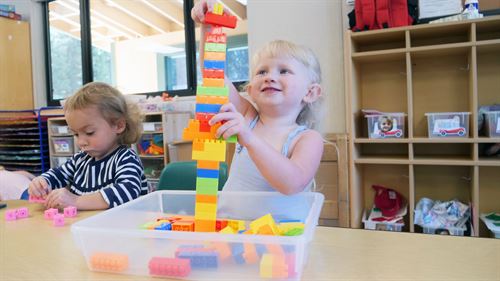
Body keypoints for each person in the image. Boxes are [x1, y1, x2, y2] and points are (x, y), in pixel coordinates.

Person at [192, 1, 324, 195]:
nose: (270, 77)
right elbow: (213, 74)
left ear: (310, 92)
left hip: (281, 226)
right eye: (262, 72)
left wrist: (249, 139)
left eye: (284, 71)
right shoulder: (248, 117)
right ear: (251, 90)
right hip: (234, 225)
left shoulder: (308, 139)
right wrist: (209, 25)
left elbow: (293, 184)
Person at [28, 82, 148, 210]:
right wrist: (41, 183)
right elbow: (58, 175)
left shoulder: (125, 158)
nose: (81, 142)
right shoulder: (80, 159)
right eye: (76, 134)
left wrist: (75, 201)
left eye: (89, 132)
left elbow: (127, 191)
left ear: (118, 126)